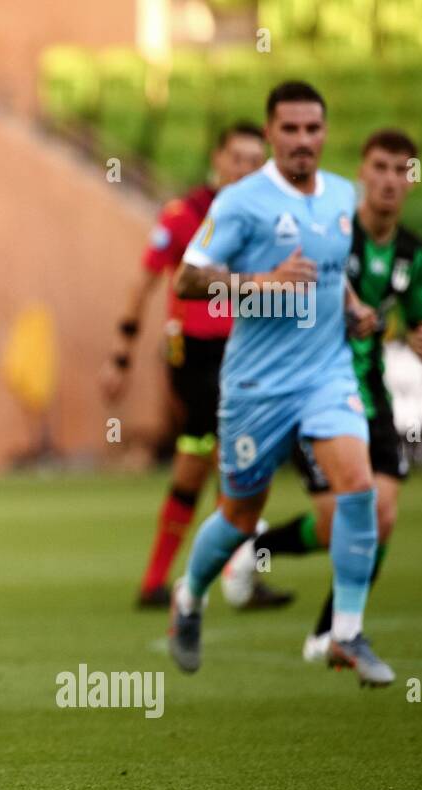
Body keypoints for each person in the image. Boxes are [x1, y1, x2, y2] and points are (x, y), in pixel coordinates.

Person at [168, 81, 391, 687]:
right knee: (241, 515)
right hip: (257, 385)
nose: (302, 141)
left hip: (325, 373)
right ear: (270, 134)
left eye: (312, 129)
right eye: (289, 130)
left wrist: (350, 307)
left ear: (325, 133)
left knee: (359, 485)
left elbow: (326, 272)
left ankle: (344, 632)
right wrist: (261, 284)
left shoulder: (343, 194)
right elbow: (188, 281)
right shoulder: (242, 202)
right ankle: (188, 598)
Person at [239, 129, 422, 661]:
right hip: (316, 391)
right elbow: (279, 303)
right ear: (362, 173)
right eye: (381, 167)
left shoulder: (414, 256)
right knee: (336, 524)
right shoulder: (329, 234)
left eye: (402, 170)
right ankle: (254, 548)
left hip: (371, 396)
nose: (391, 180)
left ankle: (331, 632)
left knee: (382, 515)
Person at [102, 122, 290, 610]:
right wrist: (121, 352)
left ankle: (155, 581)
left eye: (256, 161)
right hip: (196, 355)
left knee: (194, 461)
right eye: (238, 158)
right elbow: (143, 282)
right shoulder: (186, 215)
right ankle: (236, 575)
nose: (247, 169)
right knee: (241, 458)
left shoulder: (267, 219)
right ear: (217, 159)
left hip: (246, 352)